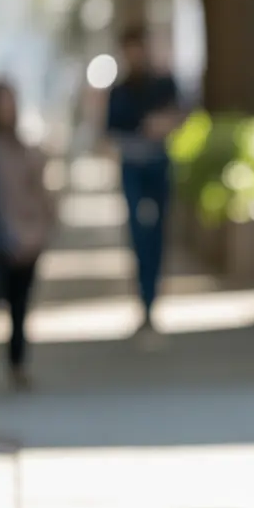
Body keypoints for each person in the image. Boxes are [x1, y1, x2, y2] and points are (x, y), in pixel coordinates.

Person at [104, 25, 180, 340]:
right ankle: (144, 300)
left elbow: (178, 117)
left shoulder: (163, 83)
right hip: (133, 167)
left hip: (158, 165)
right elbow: (110, 131)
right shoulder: (119, 91)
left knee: (158, 234)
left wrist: (162, 125)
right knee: (139, 234)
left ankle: (152, 298)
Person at [0, 79, 56, 390]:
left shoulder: (26, 150)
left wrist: (41, 230)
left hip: (28, 239)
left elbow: (40, 195)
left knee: (19, 306)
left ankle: (17, 363)